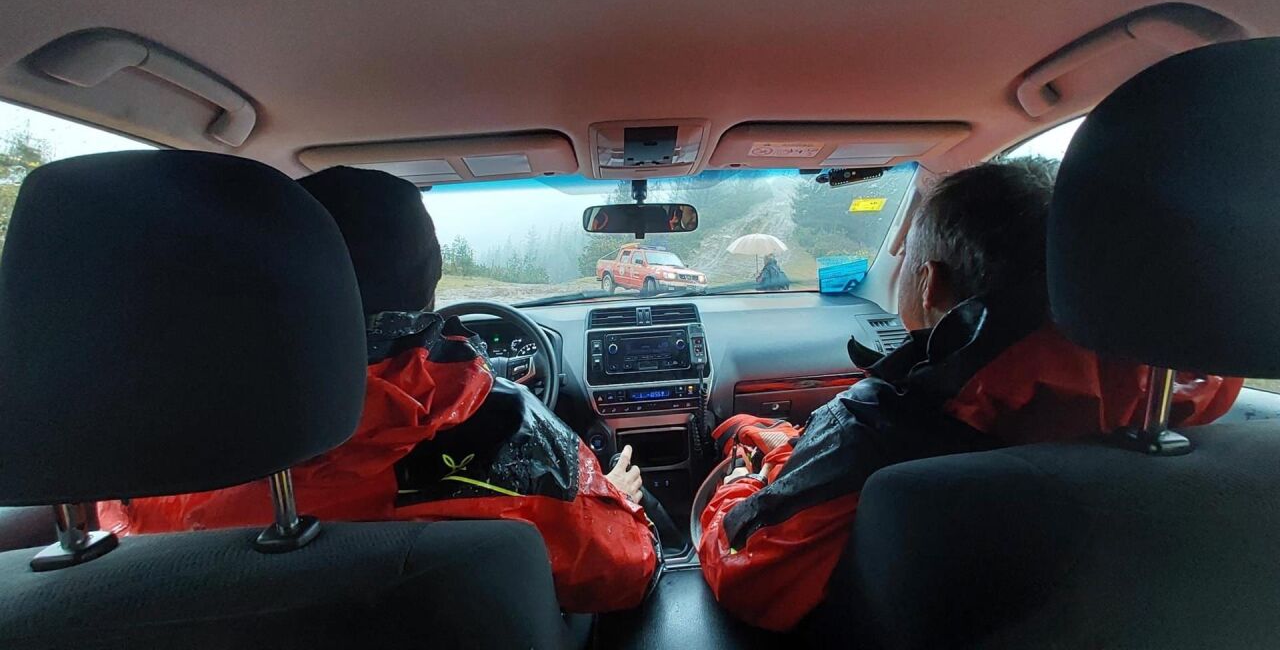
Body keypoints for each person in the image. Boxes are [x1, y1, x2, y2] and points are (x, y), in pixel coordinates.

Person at [697, 161, 1243, 631]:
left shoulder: (878, 432)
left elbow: (749, 574)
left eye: (905, 259)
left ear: (929, 283)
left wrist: (744, 476)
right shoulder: (1190, 412)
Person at [99, 166, 660, 613]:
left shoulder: (145, 469)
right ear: (427, 286)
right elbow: (623, 575)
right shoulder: (500, 432)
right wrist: (609, 496)